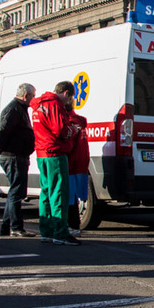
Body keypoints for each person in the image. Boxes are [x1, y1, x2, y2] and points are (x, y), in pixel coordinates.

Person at [31, 81, 79, 245]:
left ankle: (46, 230)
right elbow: (60, 130)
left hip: (41, 152)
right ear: (66, 93)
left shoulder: (39, 104)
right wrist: (73, 130)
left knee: (46, 192)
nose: (68, 102)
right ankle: (60, 232)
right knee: (59, 192)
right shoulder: (54, 104)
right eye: (70, 98)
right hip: (55, 153)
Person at [0, 83, 36, 237]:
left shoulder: (19, 108)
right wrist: (0, 147)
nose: (33, 99)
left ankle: (6, 226)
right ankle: (16, 227)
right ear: (26, 96)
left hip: (17, 155)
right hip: (13, 156)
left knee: (15, 191)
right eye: (33, 96)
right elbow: (3, 130)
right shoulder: (14, 109)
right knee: (16, 192)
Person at [65, 100, 89, 238]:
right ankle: (74, 225)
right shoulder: (79, 121)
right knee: (73, 196)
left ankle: (71, 225)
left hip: (71, 163)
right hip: (81, 163)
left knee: (68, 197)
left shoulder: (68, 122)